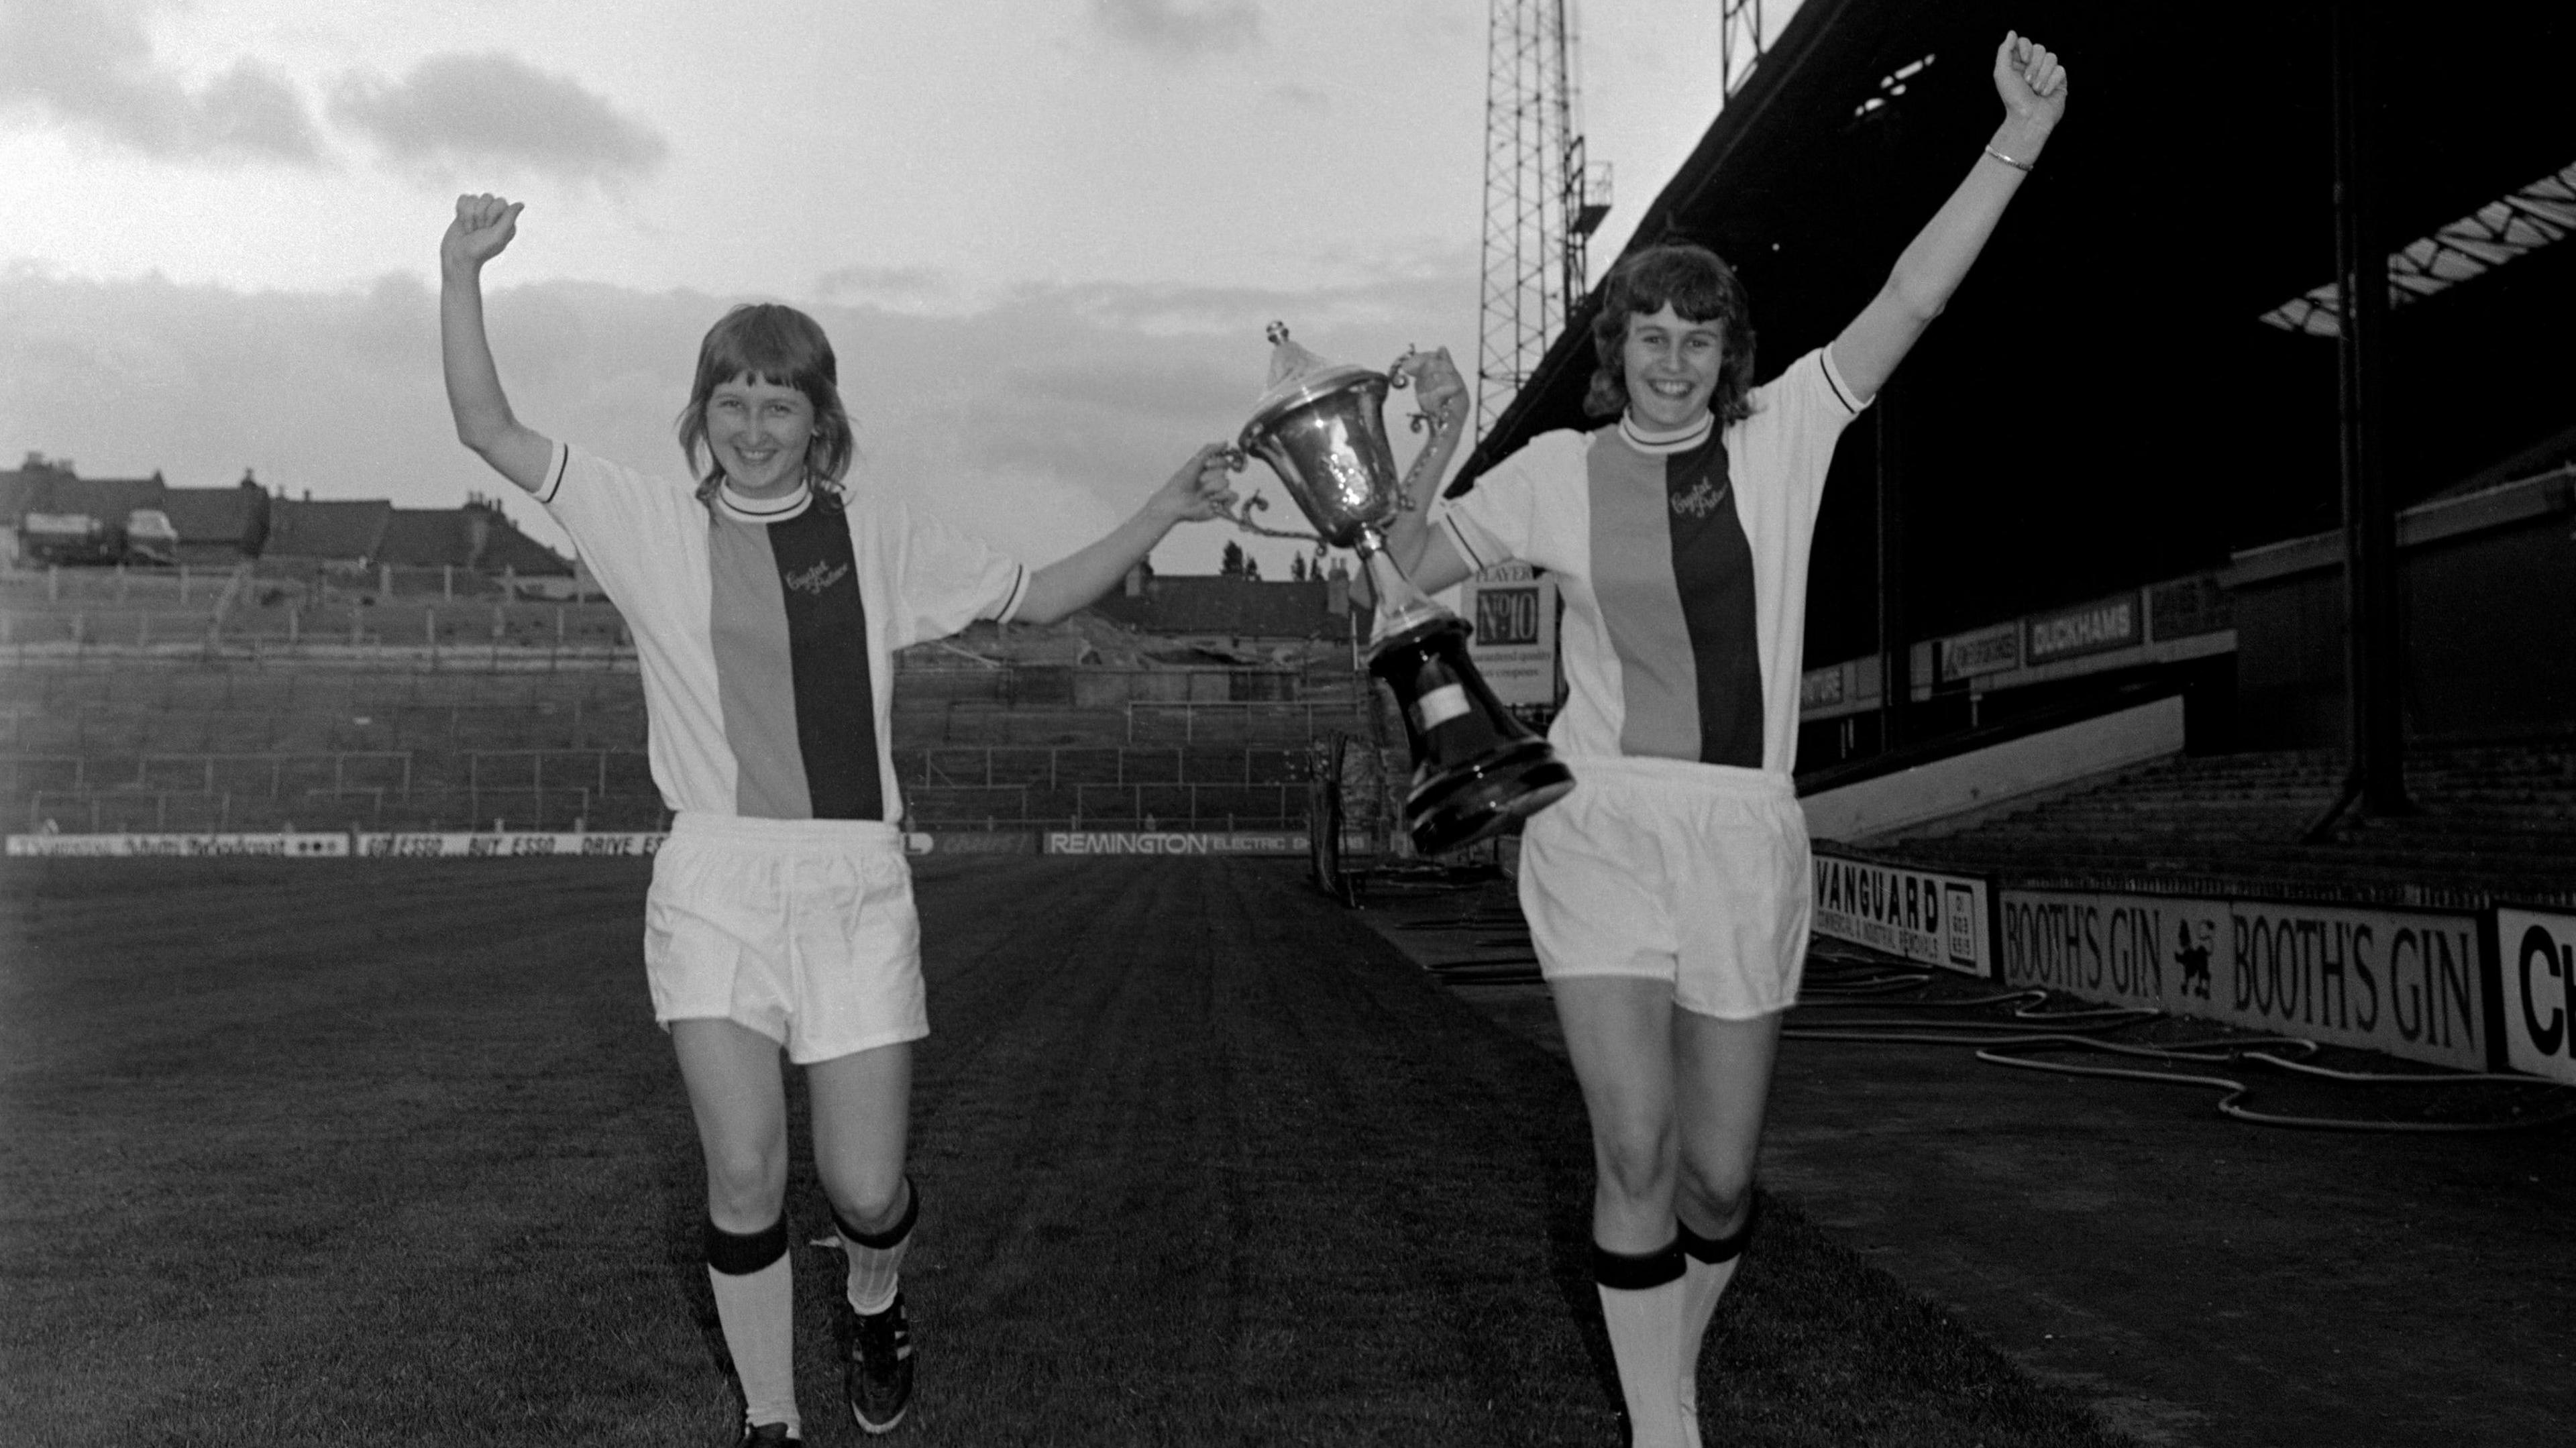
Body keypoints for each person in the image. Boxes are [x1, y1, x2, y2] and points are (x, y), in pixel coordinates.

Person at [438, 195, 1236, 1445]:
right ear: (701, 415)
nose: (754, 428)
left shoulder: (878, 536)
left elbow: (1036, 598)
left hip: (855, 879)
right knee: (747, 1173)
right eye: (732, 402)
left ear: (822, 423)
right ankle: (770, 1419)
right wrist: (460, 270)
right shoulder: (646, 522)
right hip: (712, 876)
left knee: (866, 1191)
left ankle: (876, 1297)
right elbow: (486, 426)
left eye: (781, 405)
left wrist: (1160, 509)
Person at [1389, 33, 2069, 1448]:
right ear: (1615, 349)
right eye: (1652, 334)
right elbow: (1398, 568)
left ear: (1729, 353)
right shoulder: (1554, 476)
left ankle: (1668, 1369)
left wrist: (2017, 138)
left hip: (1746, 834)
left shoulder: (1788, 433)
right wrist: (1436, 431)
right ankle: (1662, 1429)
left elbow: (1914, 294)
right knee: (1629, 1150)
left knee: (1714, 1183)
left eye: (1701, 337)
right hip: (1601, 824)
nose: (1676, 360)